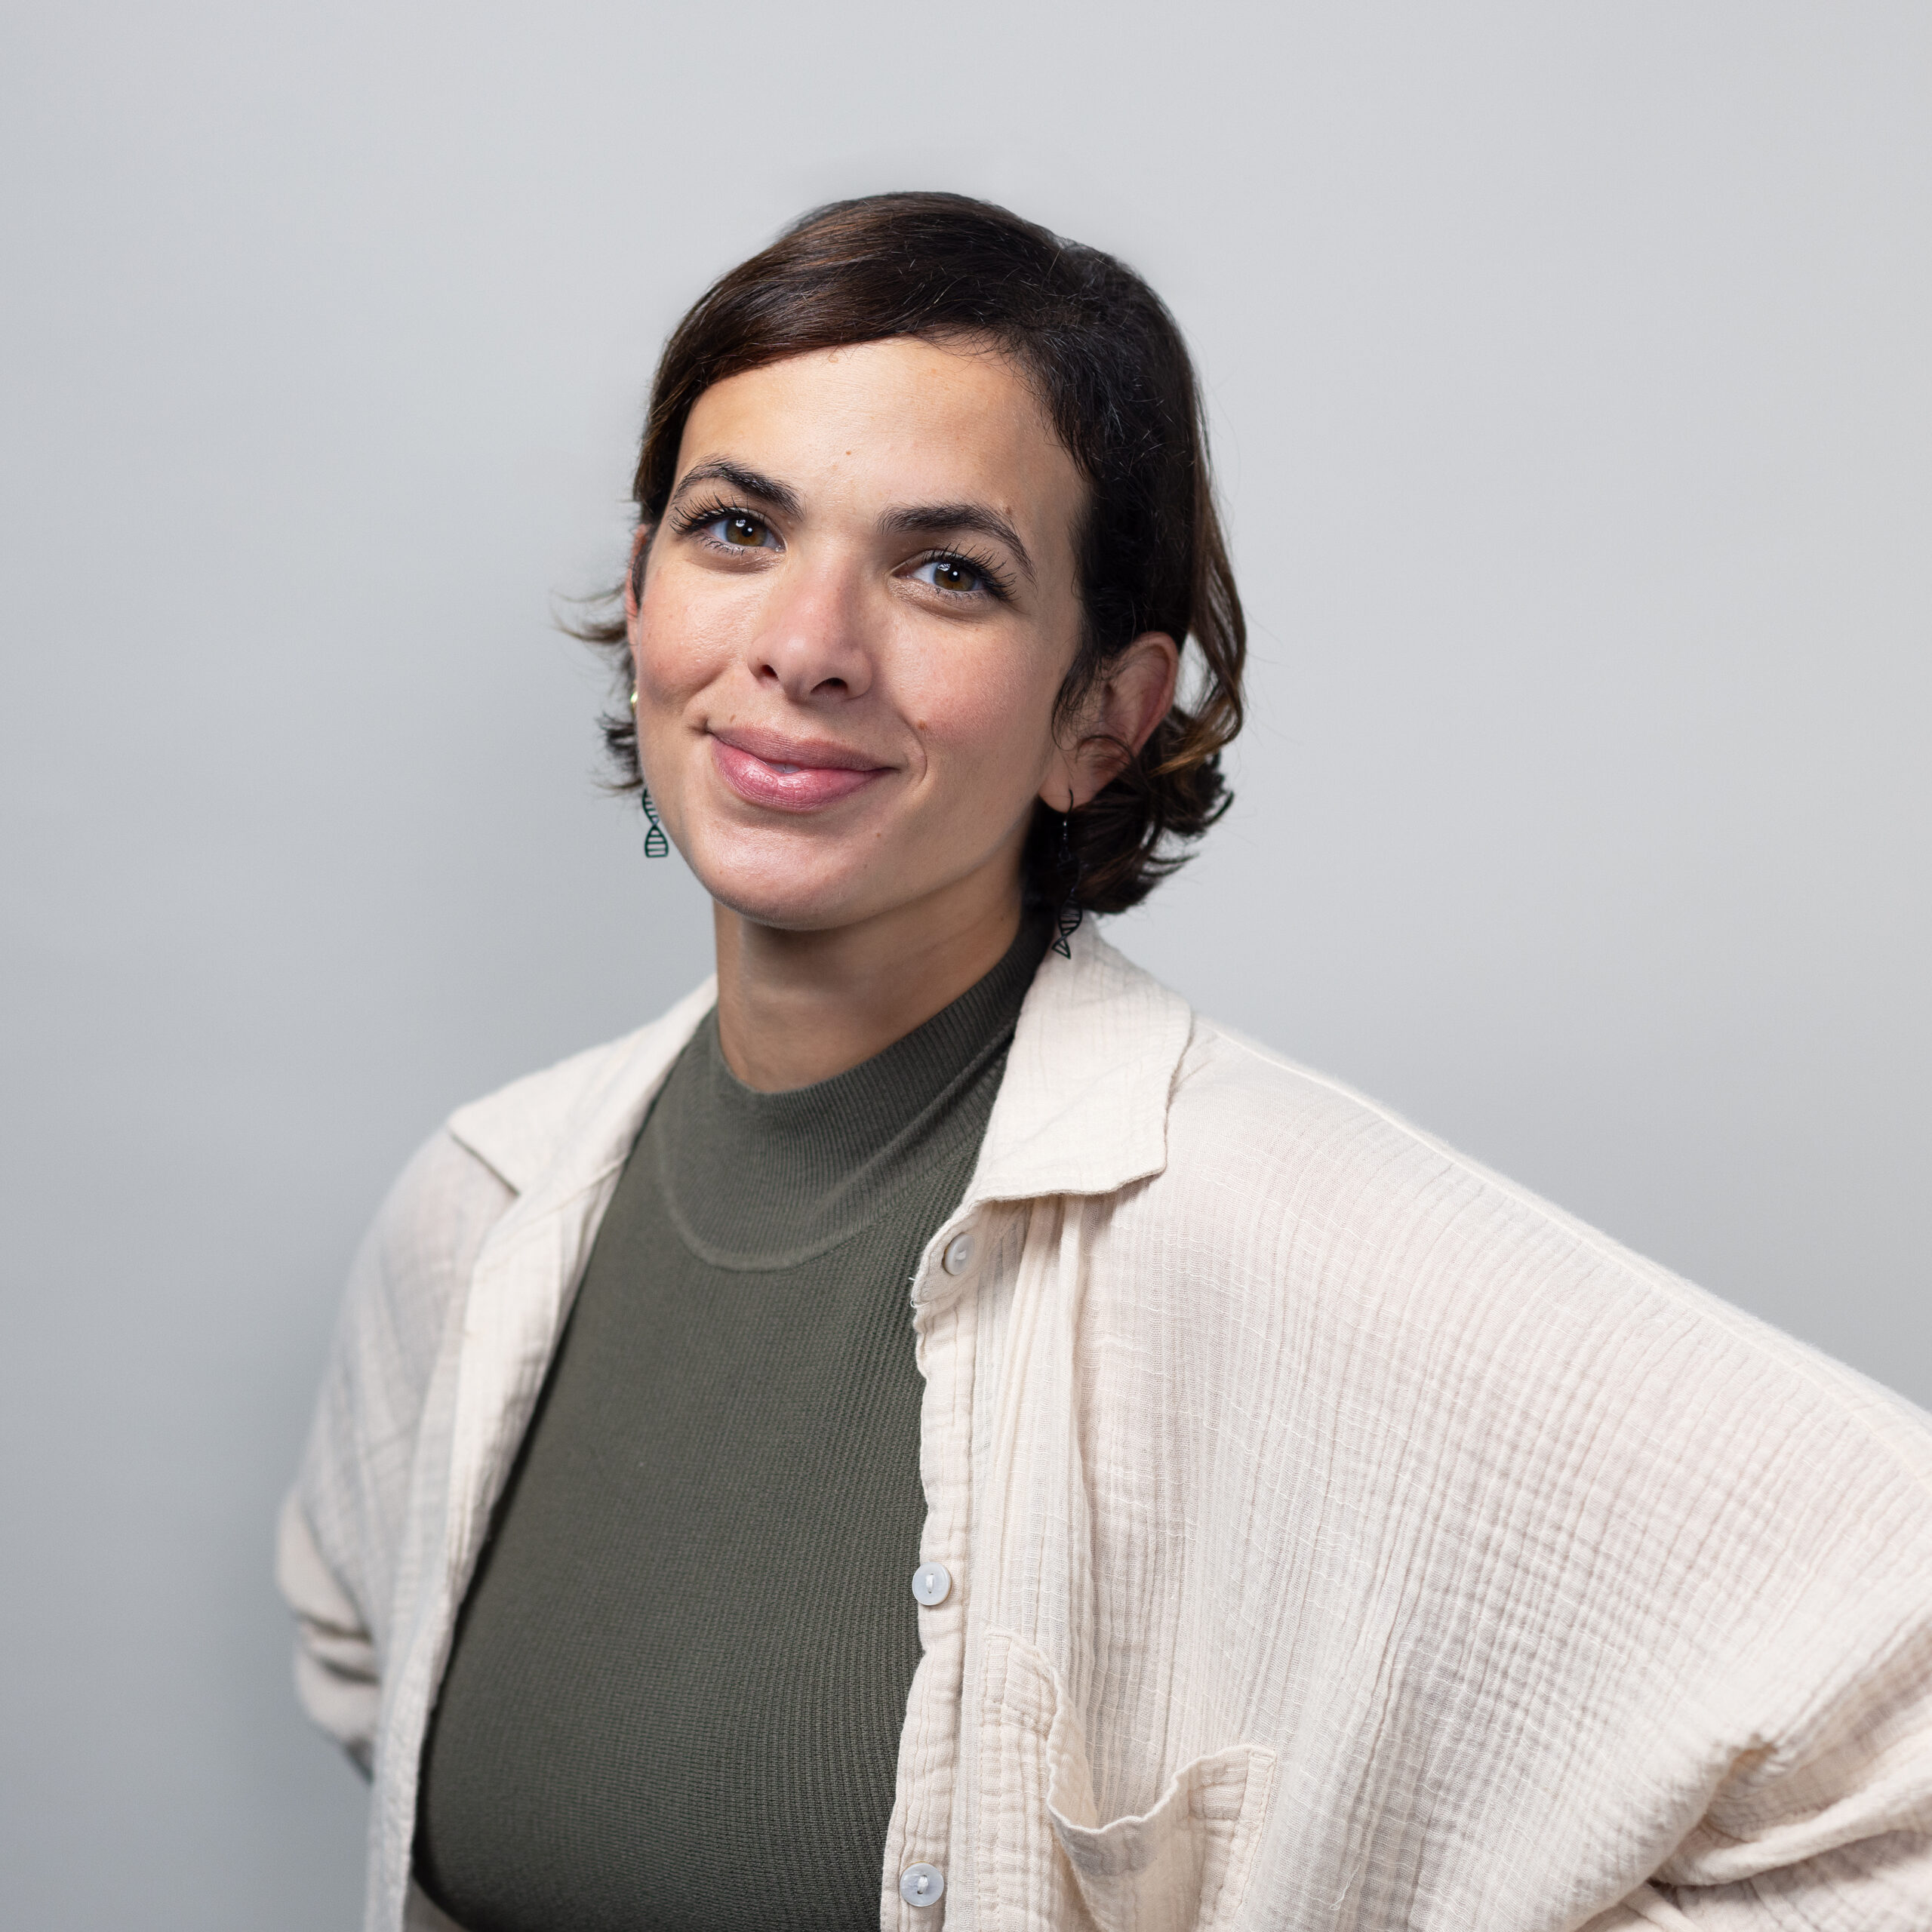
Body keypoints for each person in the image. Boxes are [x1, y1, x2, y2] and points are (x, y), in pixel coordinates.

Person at [278, 193, 1932, 1932]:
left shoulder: (1266, 1235)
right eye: (736, 526)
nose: (805, 643)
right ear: (641, 593)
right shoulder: (480, 1214)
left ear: (1104, 716)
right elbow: (367, 1663)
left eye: (945, 571)